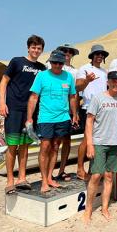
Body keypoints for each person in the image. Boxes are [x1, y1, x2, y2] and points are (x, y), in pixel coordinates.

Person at [0, 35, 46, 194]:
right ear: (28, 48)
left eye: (39, 48)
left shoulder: (42, 68)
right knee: (12, 145)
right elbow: (3, 82)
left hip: (30, 112)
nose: (36, 50)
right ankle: (10, 180)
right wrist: (2, 102)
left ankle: (22, 178)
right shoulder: (17, 61)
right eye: (33, 47)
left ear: (42, 50)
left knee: (25, 145)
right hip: (13, 109)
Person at [27, 50, 78, 193]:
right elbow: (33, 97)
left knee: (56, 146)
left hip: (63, 118)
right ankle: (44, 180)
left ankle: (50, 177)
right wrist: (29, 118)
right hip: (45, 118)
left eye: (60, 63)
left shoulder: (68, 77)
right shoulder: (42, 76)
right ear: (50, 62)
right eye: (54, 62)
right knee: (45, 147)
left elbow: (73, 96)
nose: (57, 65)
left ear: (63, 63)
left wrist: (74, 114)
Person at [83, 71, 117, 224]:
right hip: (99, 142)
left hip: (114, 143)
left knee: (109, 177)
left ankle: (104, 208)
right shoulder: (98, 97)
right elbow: (89, 121)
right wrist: (89, 144)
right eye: (114, 81)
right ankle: (88, 209)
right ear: (108, 82)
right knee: (96, 176)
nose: (116, 84)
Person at [46, 43, 80, 181]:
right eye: (64, 51)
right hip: (51, 110)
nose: (67, 53)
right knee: (52, 143)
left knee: (66, 141)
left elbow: (75, 94)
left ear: (72, 54)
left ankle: (61, 170)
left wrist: (75, 112)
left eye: (69, 51)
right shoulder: (50, 65)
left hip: (67, 110)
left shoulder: (74, 71)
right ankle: (49, 173)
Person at [75, 44, 109, 180]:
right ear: (92, 55)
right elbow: (77, 87)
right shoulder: (84, 68)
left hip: (102, 109)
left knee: (97, 141)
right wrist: (87, 81)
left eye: (102, 54)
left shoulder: (104, 72)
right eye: (97, 54)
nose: (100, 56)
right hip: (88, 108)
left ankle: (91, 170)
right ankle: (79, 169)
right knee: (86, 139)